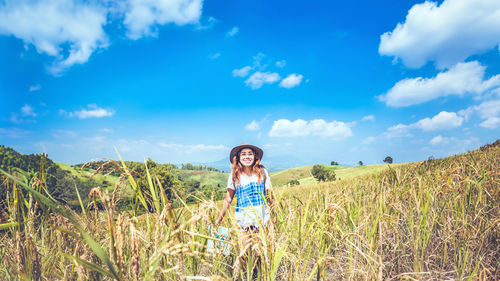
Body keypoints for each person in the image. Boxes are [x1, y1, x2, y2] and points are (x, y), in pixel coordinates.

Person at [215, 143, 275, 277]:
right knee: (244, 254)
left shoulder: (262, 172)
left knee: (261, 254)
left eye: (250, 154)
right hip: (243, 222)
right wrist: (218, 219)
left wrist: (275, 217)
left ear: (255, 156)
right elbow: (228, 199)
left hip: (262, 221)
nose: (247, 156)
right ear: (238, 157)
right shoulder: (234, 176)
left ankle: (260, 277)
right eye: (243, 154)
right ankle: (247, 276)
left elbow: (270, 196)